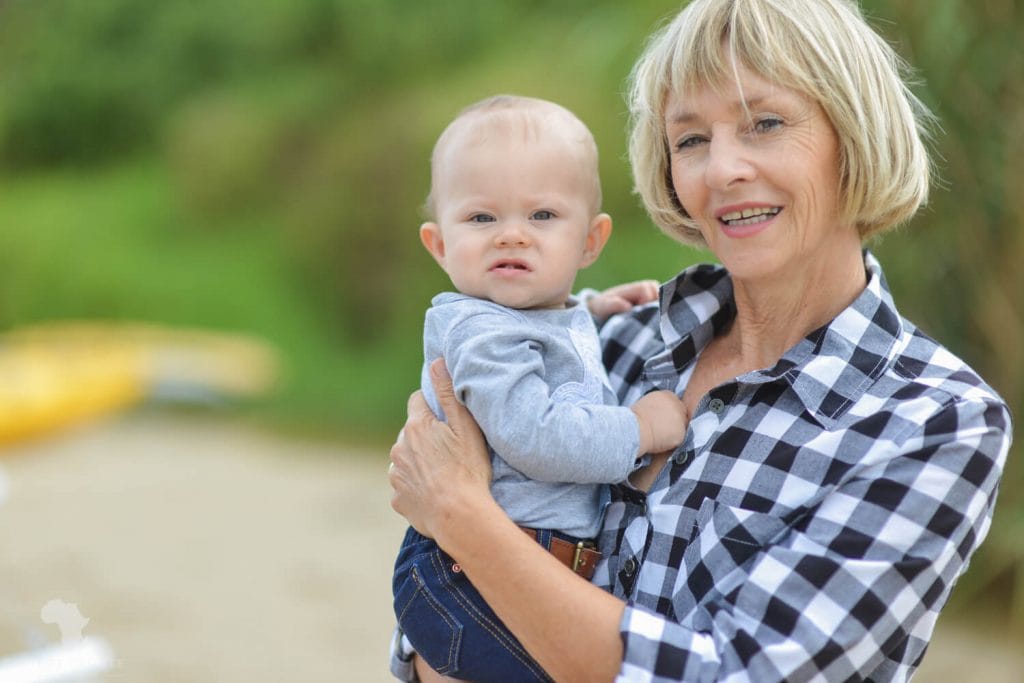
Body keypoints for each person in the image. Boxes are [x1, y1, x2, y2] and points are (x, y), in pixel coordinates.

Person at [389, 0, 1014, 680]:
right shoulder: (619, 344)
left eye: (765, 124)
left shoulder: (933, 420)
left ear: (854, 133)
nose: (721, 170)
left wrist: (463, 517)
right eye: (690, 140)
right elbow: (437, 628)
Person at [392, 95, 688, 682]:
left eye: (542, 217)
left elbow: (543, 337)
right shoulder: (480, 334)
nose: (512, 237)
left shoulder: (525, 316)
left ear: (590, 242)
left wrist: (590, 310)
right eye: (481, 218)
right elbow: (538, 436)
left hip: (511, 562)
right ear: (440, 244)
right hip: (470, 576)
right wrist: (642, 428)